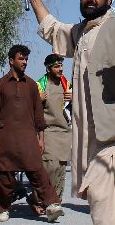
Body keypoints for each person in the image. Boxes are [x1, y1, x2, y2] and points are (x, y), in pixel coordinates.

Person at [19, 0, 115, 225]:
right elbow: (52, 29)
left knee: (109, 209)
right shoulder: (81, 32)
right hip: (88, 138)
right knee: (104, 208)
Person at [0, 45, 63, 223]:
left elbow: (38, 114)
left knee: (37, 171)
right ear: (11, 61)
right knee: (3, 175)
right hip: (5, 138)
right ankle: (2, 208)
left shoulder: (31, 85)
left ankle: (52, 205)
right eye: (21, 59)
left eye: (26, 59)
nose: (25, 62)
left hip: (28, 137)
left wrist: (41, 138)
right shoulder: (0, 85)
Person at [33, 54, 72, 204]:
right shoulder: (39, 86)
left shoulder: (66, 85)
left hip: (64, 132)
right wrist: (37, 99)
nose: (60, 69)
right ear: (48, 69)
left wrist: (73, 97)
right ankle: (37, 199)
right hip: (47, 132)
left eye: (61, 66)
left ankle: (55, 202)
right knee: (50, 168)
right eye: (56, 66)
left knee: (61, 169)